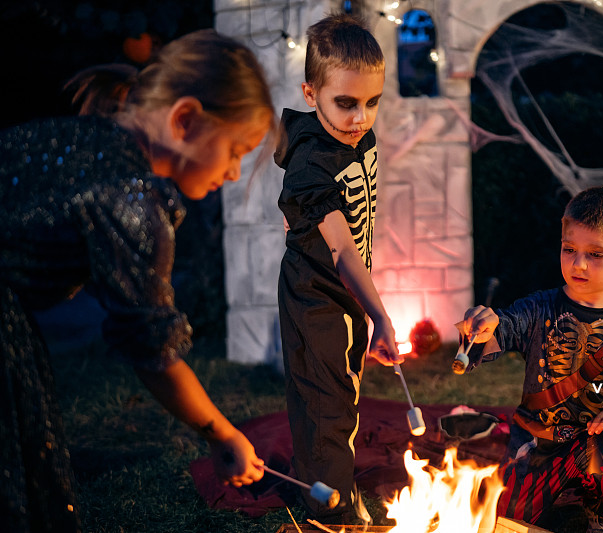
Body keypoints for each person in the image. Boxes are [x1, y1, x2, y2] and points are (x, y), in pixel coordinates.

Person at [0, 29, 275, 532]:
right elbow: (153, 350)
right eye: (236, 150)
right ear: (185, 119)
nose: (235, 172)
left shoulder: (83, 139)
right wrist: (221, 435)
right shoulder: (132, 199)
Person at [460, 186, 603, 533]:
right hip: (538, 443)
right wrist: (484, 328)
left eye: (595, 254)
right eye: (569, 249)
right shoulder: (539, 307)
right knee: (508, 520)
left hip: (599, 444)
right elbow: (507, 325)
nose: (578, 263)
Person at [274, 13, 401, 524]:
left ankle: (324, 487)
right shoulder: (310, 165)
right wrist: (381, 316)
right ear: (311, 93)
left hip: (344, 291)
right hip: (316, 295)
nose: (360, 118)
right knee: (327, 400)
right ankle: (332, 512)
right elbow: (343, 250)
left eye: (372, 102)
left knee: (340, 389)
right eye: (345, 103)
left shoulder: (355, 135)